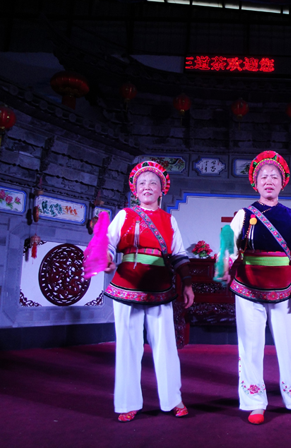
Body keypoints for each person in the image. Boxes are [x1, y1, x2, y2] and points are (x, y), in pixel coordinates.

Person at [222, 150, 291, 425]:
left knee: (287, 344)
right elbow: (229, 246)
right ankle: (254, 402)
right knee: (251, 345)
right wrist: (224, 267)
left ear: (283, 183)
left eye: (275, 176)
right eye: (264, 176)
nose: (269, 181)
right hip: (248, 286)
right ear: (255, 182)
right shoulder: (243, 215)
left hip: (283, 287)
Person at [104, 161, 195, 422]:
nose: (147, 187)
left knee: (166, 346)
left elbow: (179, 254)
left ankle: (173, 400)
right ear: (135, 189)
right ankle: (127, 403)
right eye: (142, 183)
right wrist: (107, 258)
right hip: (126, 285)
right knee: (128, 346)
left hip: (160, 286)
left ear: (161, 189)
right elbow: (108, 243)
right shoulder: (124, 215)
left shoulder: (168, 219)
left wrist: (187, 283)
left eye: (153, 183)